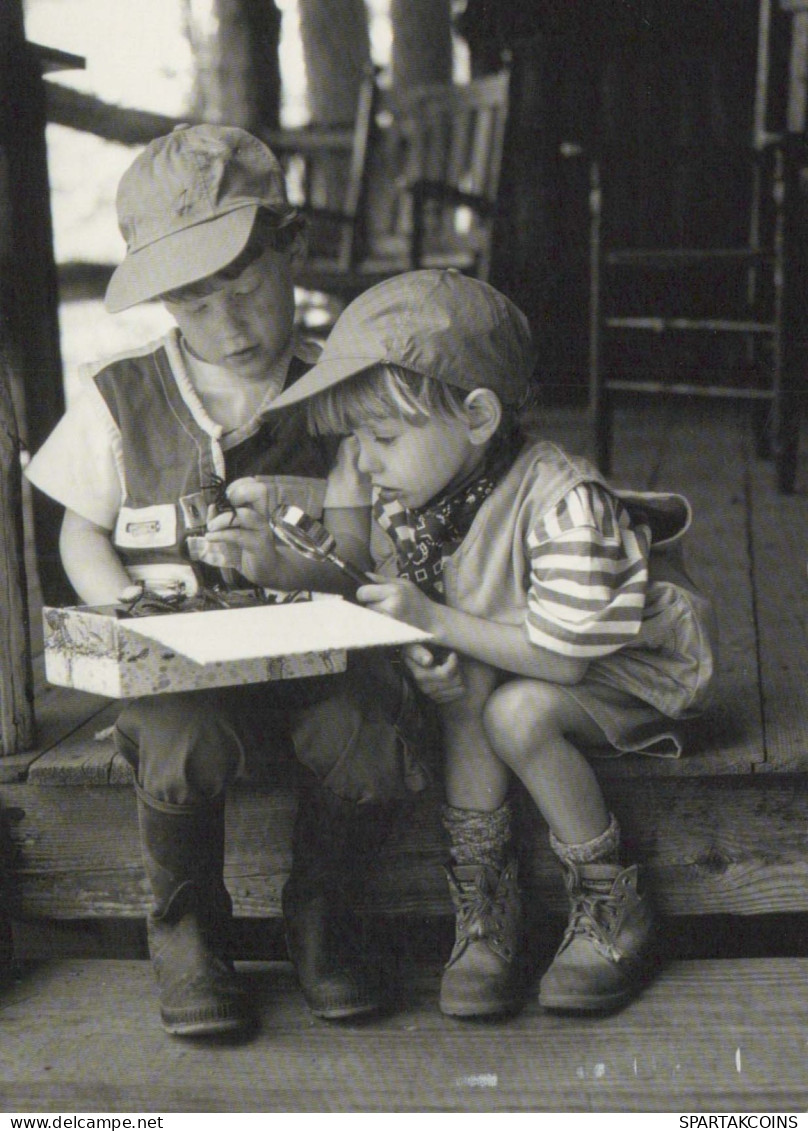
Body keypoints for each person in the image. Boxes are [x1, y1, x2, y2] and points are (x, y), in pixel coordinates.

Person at [24, 125, 430, 1038]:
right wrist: (119, 612)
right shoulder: (123, 398)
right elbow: (79, 526)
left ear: (294, 249)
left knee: (367, 733)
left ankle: (321, 914)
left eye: (247, 289)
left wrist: (322, 544)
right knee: (173, 737)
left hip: (316, 659)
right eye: (195, 304)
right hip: (183, 669)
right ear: (165, 303)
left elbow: (373, 547)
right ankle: (187, 933)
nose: (231, 326)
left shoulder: (339, 387)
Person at [260, 268, 717, 1019]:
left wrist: (437, 623)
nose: (364, 462)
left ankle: (611, 899)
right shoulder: (425, 492)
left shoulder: (563, 502)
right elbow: (449, 603)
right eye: (354, 440)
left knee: (517, 714)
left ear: (476, 415)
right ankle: (484, 905)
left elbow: (567, 655)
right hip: (523, 649)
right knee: (468, 686)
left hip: (626, 664)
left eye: (380, 436)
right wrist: (426, 643)